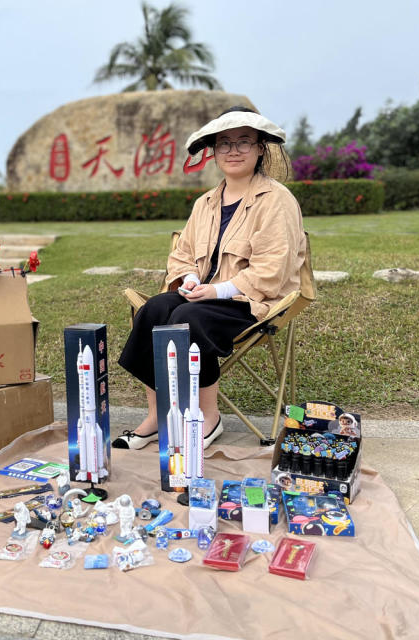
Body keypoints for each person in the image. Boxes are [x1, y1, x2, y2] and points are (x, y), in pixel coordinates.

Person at [115, 107, 306, 450]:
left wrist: (216, 290)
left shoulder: (277, 200)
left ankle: (209, 417)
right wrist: (189, 279)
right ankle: (158, 417)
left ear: (261, 147)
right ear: (213, 152)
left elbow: (272, 269)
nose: (233, 151)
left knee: (187, 317)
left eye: (244, 142)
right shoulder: (205, 203)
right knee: (155, 310)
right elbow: (182, 254)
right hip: (203, 294)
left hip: (250, 300)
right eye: (224, 143)